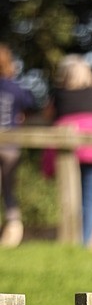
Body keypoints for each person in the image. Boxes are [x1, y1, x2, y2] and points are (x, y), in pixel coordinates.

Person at [42, 55, 92, 245]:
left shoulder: (57, 95)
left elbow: (47, 115)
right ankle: (84, 243)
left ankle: (70, 240)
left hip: (67, 151)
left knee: (70, 198)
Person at [0, 44, 37, 247]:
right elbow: (30, 107)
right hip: (10, 145)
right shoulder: (16, 88)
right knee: (8, 189)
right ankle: (13, 229)